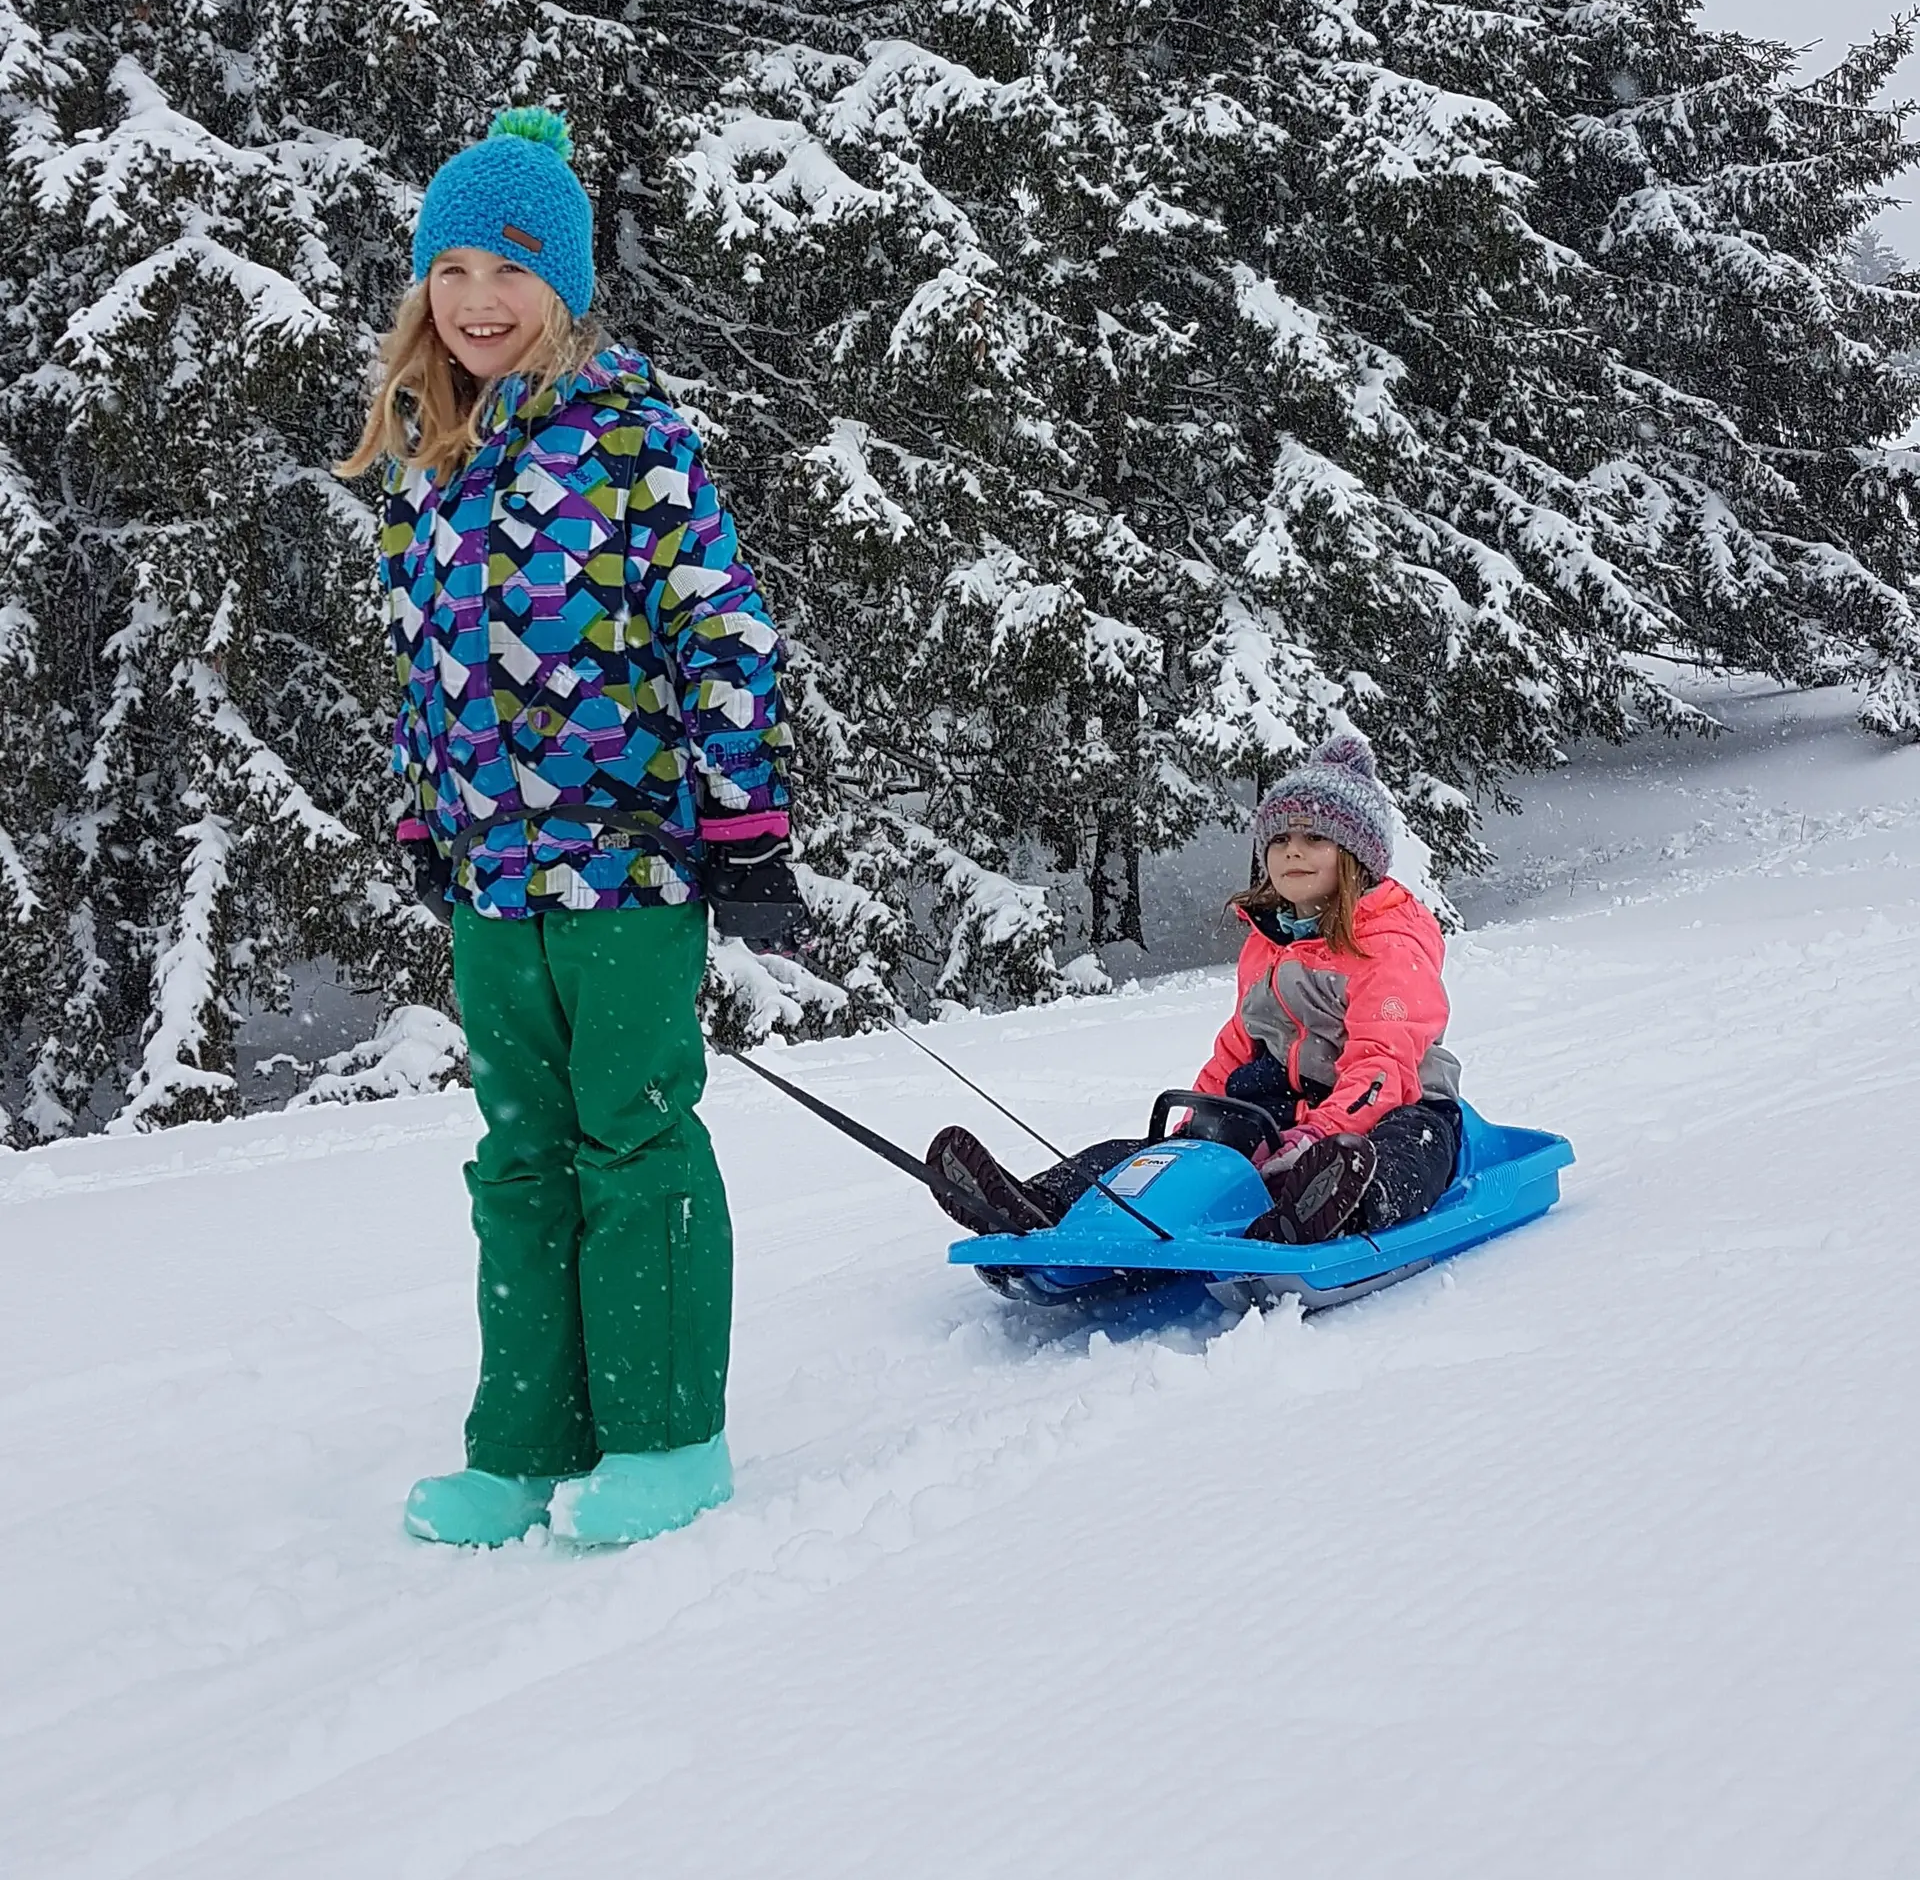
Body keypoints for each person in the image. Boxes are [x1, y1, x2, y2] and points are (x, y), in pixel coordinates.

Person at [339, 106, 803, 1550]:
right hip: (491, 872)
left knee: (632, 1136)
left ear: (570, 286)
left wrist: (748, 825)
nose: (479, 298)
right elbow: (428, 663)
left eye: (513, 268)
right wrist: (426, 815)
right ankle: (525, 1441)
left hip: (627, 863)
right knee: (519, 1150)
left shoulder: (633, 440)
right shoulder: (433, 465)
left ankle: (669, 1438)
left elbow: (722, 632)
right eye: (455, 266)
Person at [926, 732, 1462, 1249]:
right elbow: (1240, 1044)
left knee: (1405, 1150)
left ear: (1356, 856)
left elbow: (1383, 1065)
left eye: (1314, 838)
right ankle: (1043, 1202)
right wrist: (1192, 1132)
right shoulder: (1270, 940)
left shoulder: (1387, 944)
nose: (1292, 852)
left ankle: (1332, 1210)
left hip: (1397, 1102)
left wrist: (1319, 1134)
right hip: (1286, 1103)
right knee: (1156, 1155)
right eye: (1279, 840)